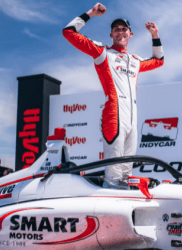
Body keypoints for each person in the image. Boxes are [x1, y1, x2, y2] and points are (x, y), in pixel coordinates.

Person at [63, 3, 164, 188]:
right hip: (114, 116)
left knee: (127, 175)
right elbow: (69, 32)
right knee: (113, 174)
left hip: (132, 118)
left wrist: (155, 35)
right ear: (111, 34)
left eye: (124, 29)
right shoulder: (103, 53)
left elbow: (159, 61)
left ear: (130, 34)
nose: (120, 32)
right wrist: (91, 14)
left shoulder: (135, 60)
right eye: (116, 29)